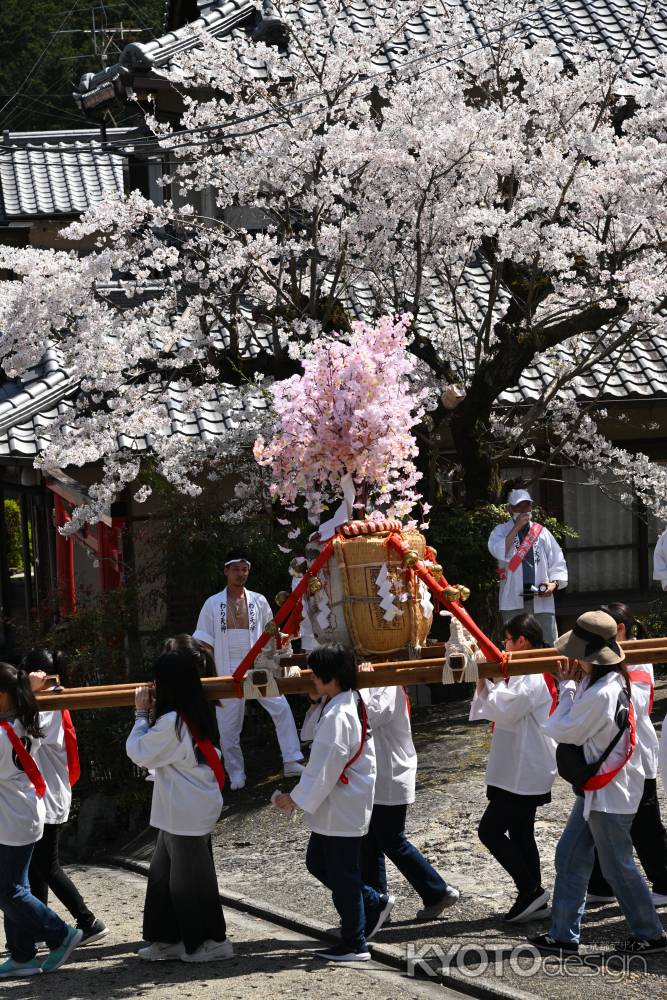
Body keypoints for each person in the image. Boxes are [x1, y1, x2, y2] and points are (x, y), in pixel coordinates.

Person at [529, 611, 667, 957]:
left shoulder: (600, 691)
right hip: (606, 786)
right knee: (570, 856)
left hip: (609, 792)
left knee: (617, 866)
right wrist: (572, 686)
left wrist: (565, 687)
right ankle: (563, 934)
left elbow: (561, 729)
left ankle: (650, 934)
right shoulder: (612, 680)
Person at [273, 645, 392, 963]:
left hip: (342, 802)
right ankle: (373, 902)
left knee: (343, 874)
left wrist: (295, 798)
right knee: (320, 863)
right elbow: (313, 738)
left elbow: (325, 765)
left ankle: (355, 942)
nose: (311, 677)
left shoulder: (340, 713)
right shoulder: (344, 700)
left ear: (331, 676)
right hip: (340, 801)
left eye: (316, 673)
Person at [126, 649, 230, 963]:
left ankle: (211, 941)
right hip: (182, 805)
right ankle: (169, 938)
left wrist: (140, 715)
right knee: (162, 875)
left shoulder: (172, 721)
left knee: (189, 881)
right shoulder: (192, 711)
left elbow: (139, 751)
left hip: (187, 808)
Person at [470, 614, 557, 924]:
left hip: (526, 766)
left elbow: (506, 710)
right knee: (521, 832)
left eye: (507, 640)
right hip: (516, 764)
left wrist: (486, 679)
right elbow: (502, 705)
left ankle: (530, 890)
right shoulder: (523, 669)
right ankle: (533, 896)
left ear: (522, 640)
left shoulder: (532, 672)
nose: (504, 645)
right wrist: (488, 680)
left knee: (490, 831)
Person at [193, 549, 304, 789]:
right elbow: (203, 642)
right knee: (228, 728)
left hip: (257, 666)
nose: (240, 573)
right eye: (235, 569)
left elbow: (270, 635)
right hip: (226, 669)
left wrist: (283, 641)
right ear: (226, 571)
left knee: (281, 708)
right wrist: (210, 673)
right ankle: (236, 773)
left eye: (244, 569)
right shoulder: (212, 603)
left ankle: (292, 761)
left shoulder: (259, 600)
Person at [357, 664, 460, 921]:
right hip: (377, 773)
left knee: (391, 839)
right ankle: (377, 904)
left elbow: (370, 716)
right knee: (369, 841)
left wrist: (361, 685)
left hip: (391, 772)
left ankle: (437, 891)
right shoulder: (373, 685)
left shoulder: (388, 684)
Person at [0, 663, 83, 978]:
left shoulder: (4, 733)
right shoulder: (26, 719)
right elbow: (23, 701)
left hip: (13, 818)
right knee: (16, 886)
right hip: (23, 812)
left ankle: (60, 933)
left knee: (9, 891)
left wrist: (27, 686)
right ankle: (22, 954)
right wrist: (29, 688)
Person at [586, 604, 667, 908]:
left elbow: (636, 702)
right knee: (599, 817)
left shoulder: (638, 655)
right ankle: (600, 883)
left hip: (636, 750)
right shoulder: (611, 655)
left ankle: (664, 881)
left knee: (645, 823)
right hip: (612, 749)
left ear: (619, 629)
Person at [25, 650, 108, 945]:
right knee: (36, 867)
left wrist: (26, 691)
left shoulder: (48, 703)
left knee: (47, 865)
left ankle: (88, 921)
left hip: (47, 795)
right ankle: (39, 929)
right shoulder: (47, 700)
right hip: (45, 793)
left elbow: (25, 732)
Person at [487, 489, 568, 646]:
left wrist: (554, 584)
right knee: (515, 645)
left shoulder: (542, 532)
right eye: (519, 506)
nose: (524, 510)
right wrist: (516, 528)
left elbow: (557, 561)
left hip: (541, 599)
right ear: (510, 509)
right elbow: (499, 551)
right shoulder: (500, 531)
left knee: (547, 643)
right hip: (513, 599)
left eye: (527, 505)